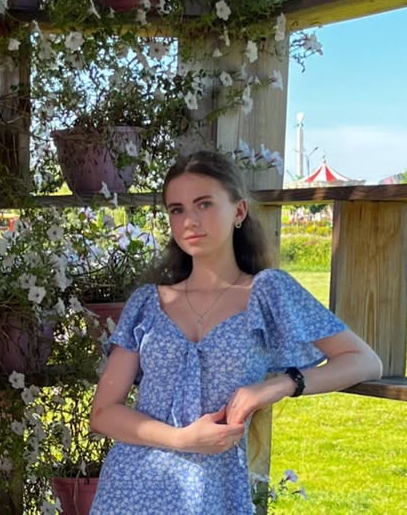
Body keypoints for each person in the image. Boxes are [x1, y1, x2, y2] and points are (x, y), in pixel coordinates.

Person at [89, 150, 382, 515]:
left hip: (215, 491)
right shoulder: (148, 303)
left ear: (239, 211)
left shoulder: (268, 292)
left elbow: (364, 361)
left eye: (204, 204)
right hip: (129, 490)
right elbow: (103, 412)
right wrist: (181, 439)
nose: (190, 220)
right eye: (177, 209)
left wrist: (279, 385)